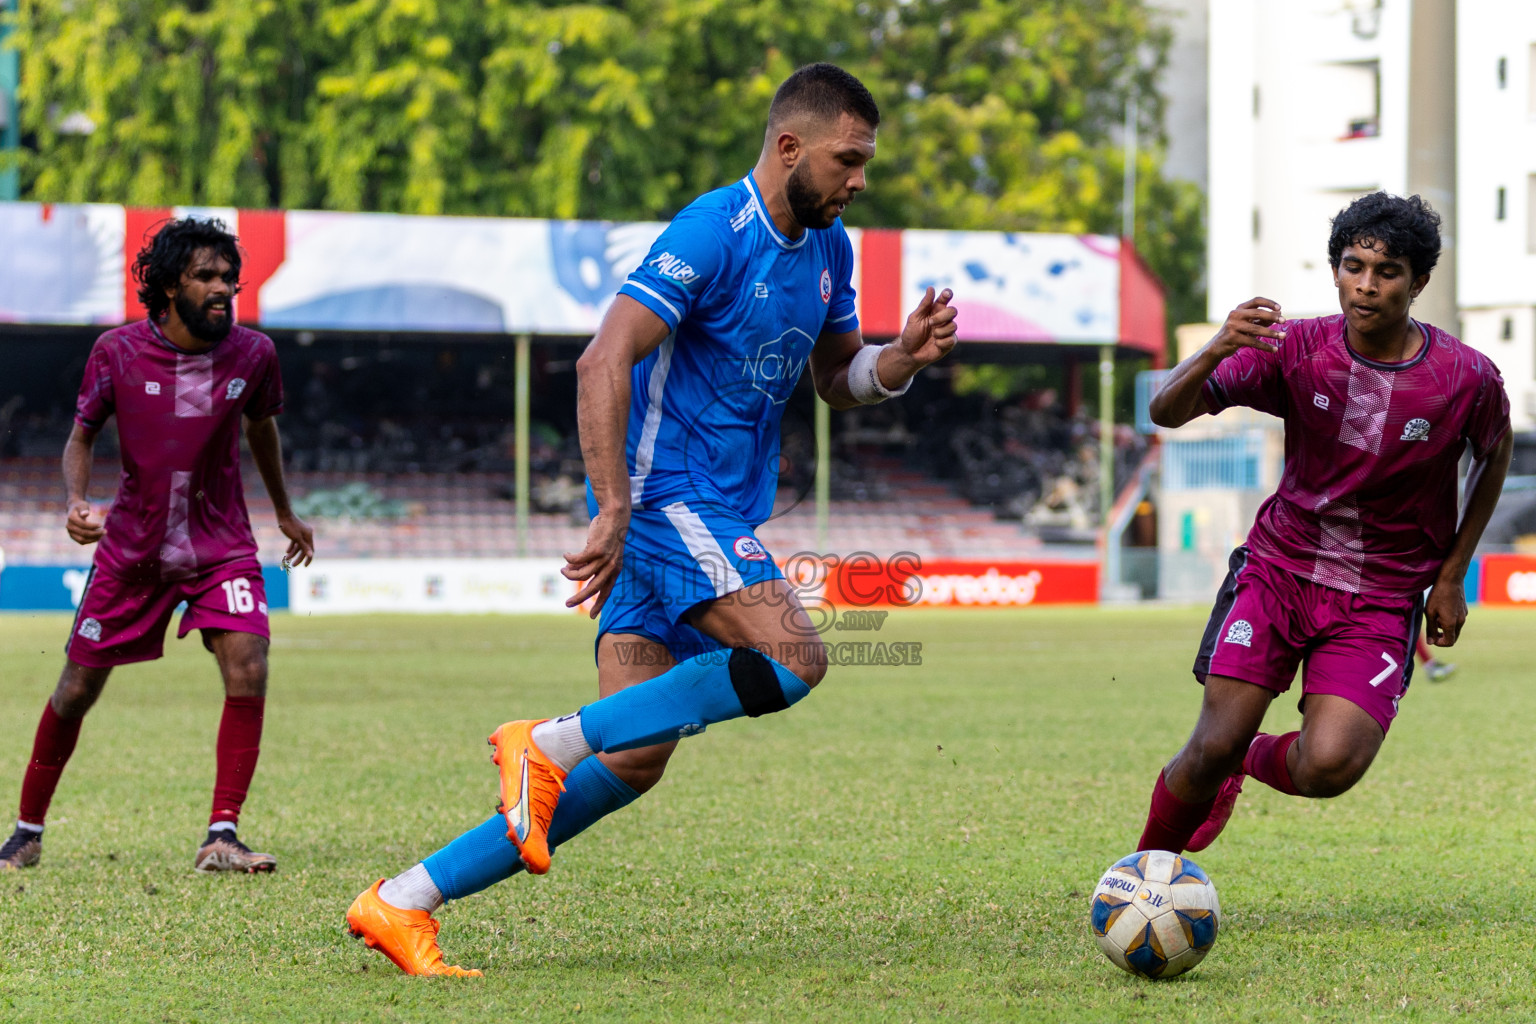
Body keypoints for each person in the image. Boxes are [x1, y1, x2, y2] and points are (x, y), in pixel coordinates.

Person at [346, 62, 959, 977]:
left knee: (633, 758)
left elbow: (837, 381)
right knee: (797, 656)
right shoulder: (713, 231)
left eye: (866, 161)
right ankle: (543, 740)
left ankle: (403, 899)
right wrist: (617, 508)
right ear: (790, 147)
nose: (860, 178)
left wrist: (900, 358)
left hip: (696, 513)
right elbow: (604, 359)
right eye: (848, 159)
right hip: (668, 500)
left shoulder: (832, 250)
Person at [1135, 192, 1511, 855]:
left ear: (1419, 281)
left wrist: (1452, 575)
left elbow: (1495, 450)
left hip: (1381, 594)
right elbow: (1166, 413)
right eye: (1352, 265)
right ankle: (1144, 879)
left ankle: (1242, 764)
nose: (1365, 286)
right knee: (1209, 744)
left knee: (1328, 767)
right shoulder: (1296, 348)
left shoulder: (1465, 378)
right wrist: (1216, 348)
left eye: (1387, 271)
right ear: (1335, 267)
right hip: (1279, 572)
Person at [0, 218, 315, 874]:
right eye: (206, 276)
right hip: (132, 550)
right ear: (171, 285)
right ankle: (26, 833)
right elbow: (81, 436)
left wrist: (284, 510)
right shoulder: (116, 352)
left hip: (220, 542)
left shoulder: (255, 355)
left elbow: (263, 429)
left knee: (249, 665)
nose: (223, 288)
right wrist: (76, 501)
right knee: (75, 689)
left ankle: (222, 834)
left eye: (229, 277)